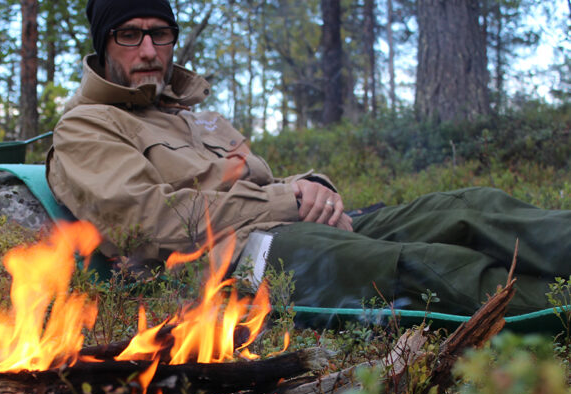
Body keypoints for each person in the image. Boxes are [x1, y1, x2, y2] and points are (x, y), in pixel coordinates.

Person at [46, 0, 571, 317]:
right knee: (436, 265)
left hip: (288, 227)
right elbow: (150, 223)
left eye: (160, 33)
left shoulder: (193, 116)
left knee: (469, 207)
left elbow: (264, 181)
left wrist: (313, 185)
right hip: (217, 267)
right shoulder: (87, 125)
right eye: (129, 34)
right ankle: (552, 306)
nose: (147, 50)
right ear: (105, 43)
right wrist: (289, 201)